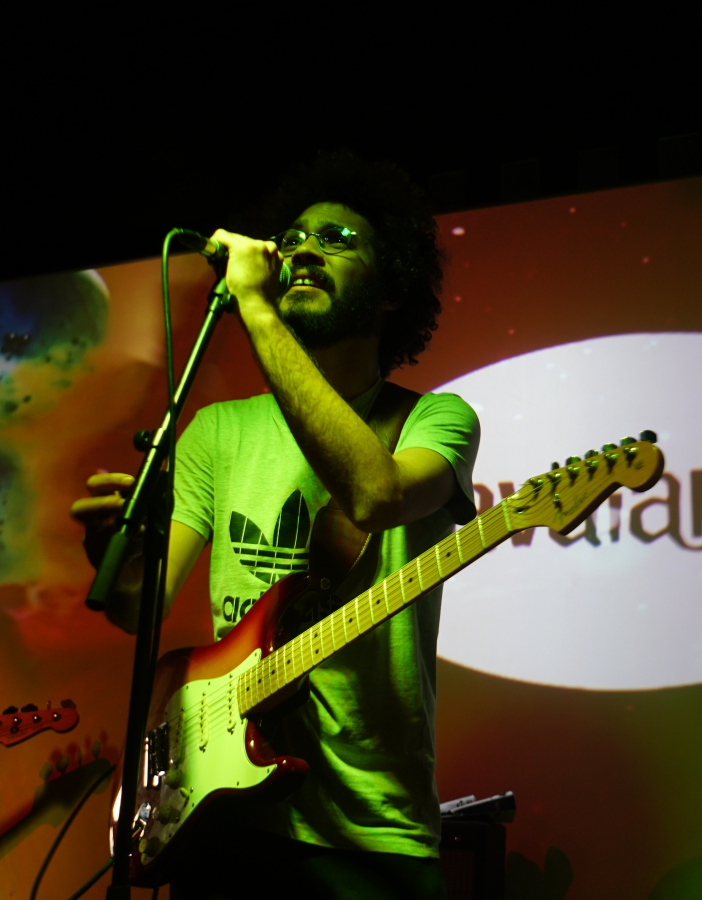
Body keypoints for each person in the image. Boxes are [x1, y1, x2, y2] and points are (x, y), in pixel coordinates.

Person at [73, 152, 479, 900]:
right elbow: (139, 610)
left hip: (371, 831)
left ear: (392, 290)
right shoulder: (216, 431)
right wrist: (114, 553)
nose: (304, 251)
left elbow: (376, 494)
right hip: (224, 815)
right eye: (292, 239)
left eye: (337, 240)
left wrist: (257, 310)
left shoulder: (435, 419)